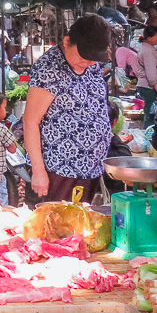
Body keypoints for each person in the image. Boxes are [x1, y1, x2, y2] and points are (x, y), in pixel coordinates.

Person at [24, 14, 113, 204]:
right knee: (58, 226)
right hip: (59, 170)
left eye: (94, 59)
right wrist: (39, 171)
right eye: (85, 57)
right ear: (67, 42)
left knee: (84, 227)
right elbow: (30, 121)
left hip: (92, 168)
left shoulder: (92, 64)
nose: (90, 63)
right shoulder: (49, 69)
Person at [136, 25, 157, 128]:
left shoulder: (149, 49)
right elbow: (151, 76)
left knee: (151, 114)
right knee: (151, 116)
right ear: (149, 38)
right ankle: (149, 138)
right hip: (150, 88)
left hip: (150, 87)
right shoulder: (148, 52)